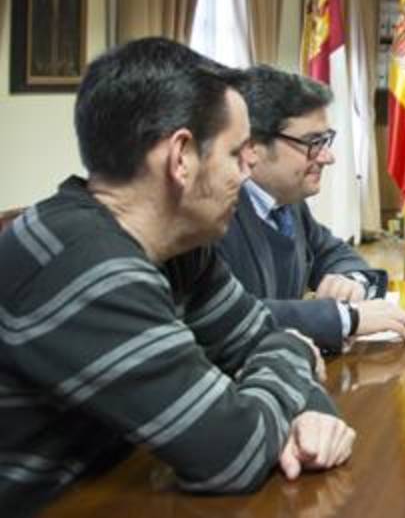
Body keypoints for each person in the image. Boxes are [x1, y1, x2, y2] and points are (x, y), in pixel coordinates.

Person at [0, 38, 354, 514]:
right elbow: (233, 453)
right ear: (181, 156)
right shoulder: (88, 265)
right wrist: (295, 352)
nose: (248, 171)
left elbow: (260, 339)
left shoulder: (181, 246)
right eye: (236, 153)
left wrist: (312, 410)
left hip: (117, 487)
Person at [216, 65, 405, 353]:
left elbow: (333, 252)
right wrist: (344, 319)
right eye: (313, 143)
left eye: (326, 141)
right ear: (254, 146)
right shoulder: (212, 214)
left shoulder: (288, 203)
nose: (328, 157)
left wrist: (351, 281)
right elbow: (226, 318)